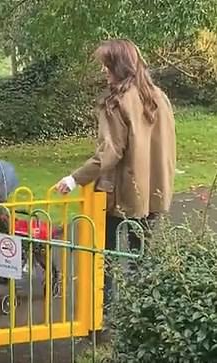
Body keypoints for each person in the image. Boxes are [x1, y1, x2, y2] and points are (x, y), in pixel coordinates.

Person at [55, 39, 176, 306]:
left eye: (107, 65)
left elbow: (110, 153)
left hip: (119, 194)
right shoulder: (159, 97)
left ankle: (105, 316)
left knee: (105, 258)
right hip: (154, 192)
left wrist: (74, 178)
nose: (103, 71)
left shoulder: (116, 103)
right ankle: (140, 315)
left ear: (119, 66)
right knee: (140, 257)